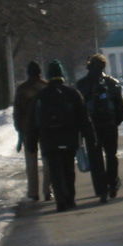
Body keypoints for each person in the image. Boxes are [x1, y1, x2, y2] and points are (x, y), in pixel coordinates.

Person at [34, 59, 95, 212]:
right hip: (69, 137)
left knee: (55, 170)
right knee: (68, 168)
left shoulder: (41, 96)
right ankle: (70, 198)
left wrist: (31, 141)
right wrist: (89, 136)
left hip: (49, 139)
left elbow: (33, 121)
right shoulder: (72, 93)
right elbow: (83, 117)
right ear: (62, 75)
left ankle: (60, 200)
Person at [75, 54, 123, 203]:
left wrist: (80, 127)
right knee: (111, 155)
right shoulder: (112, 83)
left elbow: (78, 108)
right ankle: (112, 183)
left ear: (89, 66)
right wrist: (122, 121)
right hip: (109, 124)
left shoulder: (82, 85)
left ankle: (101, 190)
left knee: (95, 158)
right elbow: (121, 105)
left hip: (91, 127)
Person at [12, 60, 51, 202]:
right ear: (40, 72)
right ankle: (47, 190)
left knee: (31, 161)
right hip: (45, 128)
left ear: (28, 73)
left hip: (27, 128)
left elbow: (17, 110)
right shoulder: (46, 86)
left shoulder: (22, 89)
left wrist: (18, 127)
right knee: (48, 160)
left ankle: (33, 191)